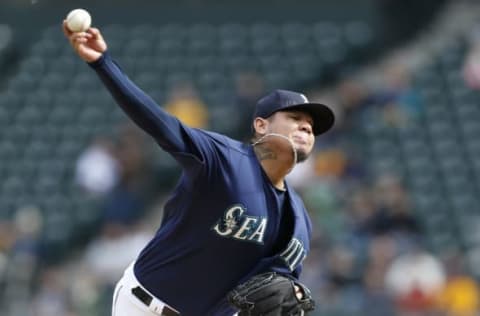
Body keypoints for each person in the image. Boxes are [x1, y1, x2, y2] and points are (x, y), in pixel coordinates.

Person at [62, 19, 334, 316]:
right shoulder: (223, 158)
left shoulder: (298, 223)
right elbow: (155, 120)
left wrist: (288, 292)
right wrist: (102, 63)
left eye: (311, 127)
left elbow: (279, 295)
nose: (306, 128)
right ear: (260, 125)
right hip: (141, 304)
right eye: (295, 118)